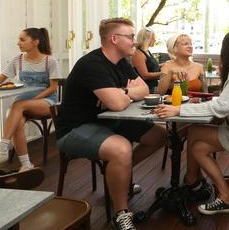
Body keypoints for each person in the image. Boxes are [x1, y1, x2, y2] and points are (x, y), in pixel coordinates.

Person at [55, 18, 166, 230]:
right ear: (114, 39)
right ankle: (121, 214)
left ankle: (120, 176)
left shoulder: (122, 63)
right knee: (121, 149)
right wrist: (123, 94)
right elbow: (116, 104)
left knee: (158, 136)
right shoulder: (92, 64)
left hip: (107, 122)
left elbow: (144, 90)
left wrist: (124, 92)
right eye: (131, 37)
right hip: (76, 129)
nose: (135, 41)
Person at [155, 31, 229, 215]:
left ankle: (196, 183)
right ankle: (197, 184)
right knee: (198, 146)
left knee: (194, 132)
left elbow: (222, 107)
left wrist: (179, 110)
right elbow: (225, 103)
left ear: (227, 51)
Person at [0, 28, 62, 171]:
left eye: (22, 40)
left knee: (17, 105)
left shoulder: (50, 61)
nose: (18, 43)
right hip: (23, 103)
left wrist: (33, 100)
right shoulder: (18, 60)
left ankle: (2, 149)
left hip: (46, 101)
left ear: (35, 42)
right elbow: (0, 79)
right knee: (17, 121)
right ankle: (26, 165)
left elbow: (53, 88)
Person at [132, 27, 162, 93]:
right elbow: (145, 75)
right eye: (153, 38)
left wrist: (164, 65)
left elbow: (150, 67)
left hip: (153, 86)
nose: (155, 40)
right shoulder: (138, 54)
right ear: (147, 39)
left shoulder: (147, 51)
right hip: (147, 89)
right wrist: (164, 73)